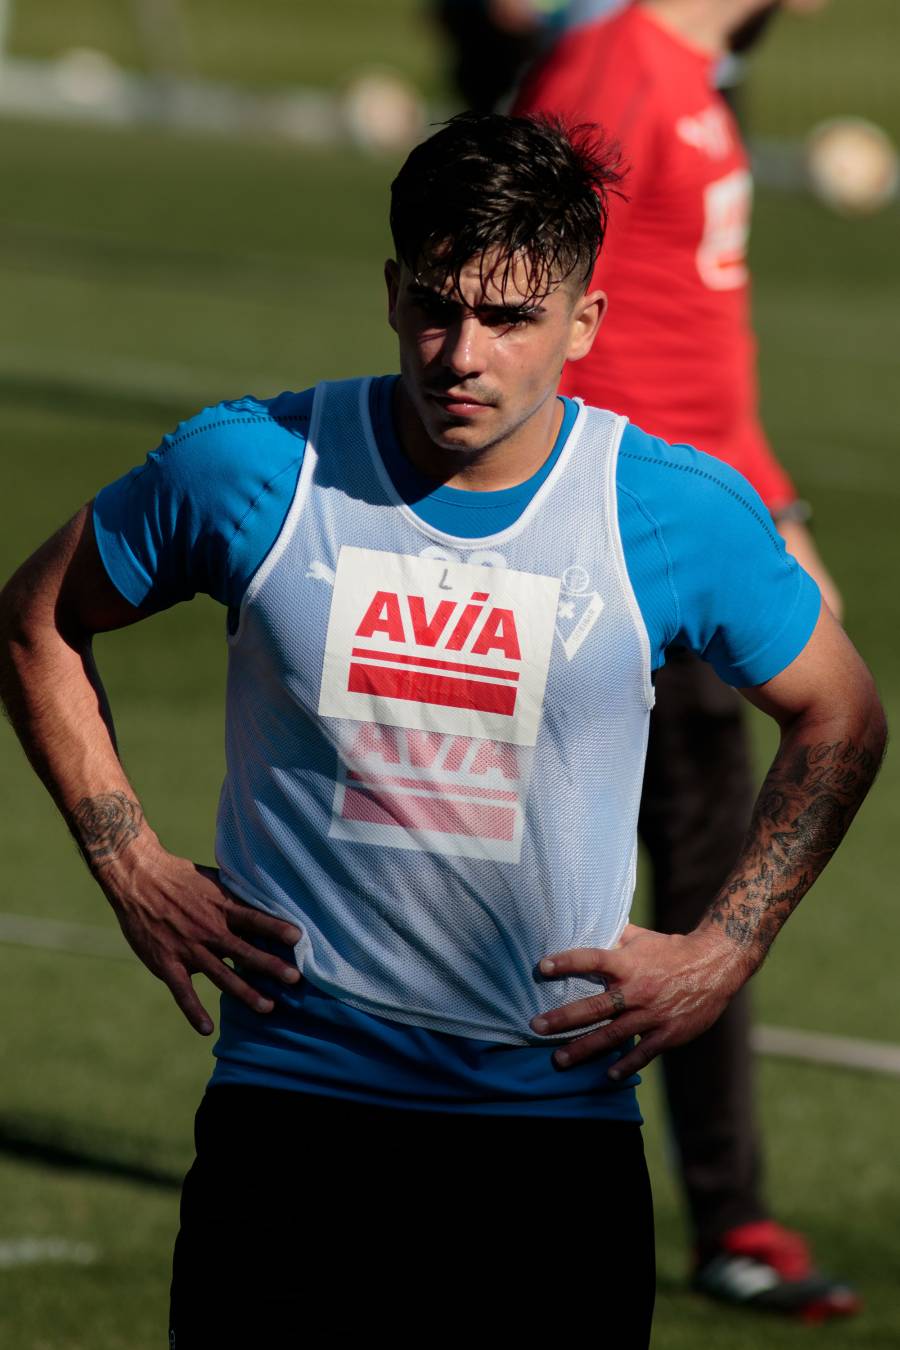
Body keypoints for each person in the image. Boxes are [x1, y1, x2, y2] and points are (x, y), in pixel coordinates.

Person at [0, 113, 885, 1348]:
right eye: (435, 304)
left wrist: (725, 948)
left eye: (512, 319)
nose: (460, 353)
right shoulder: (257, 469)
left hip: (551, 1149)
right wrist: (128, 863)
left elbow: (839, 714)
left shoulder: (665, 512)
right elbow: (33, 622)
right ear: (391, 289)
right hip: (291, 1128)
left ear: (584, 324)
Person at [514, 0, 858, 1321]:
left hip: (700, 531)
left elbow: (698, 348)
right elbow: (515, 296)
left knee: (711, 884)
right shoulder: (615, 66)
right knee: (544, 881)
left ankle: (725, 1210)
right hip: (615, 546)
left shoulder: (687, 76)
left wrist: (775, 513)